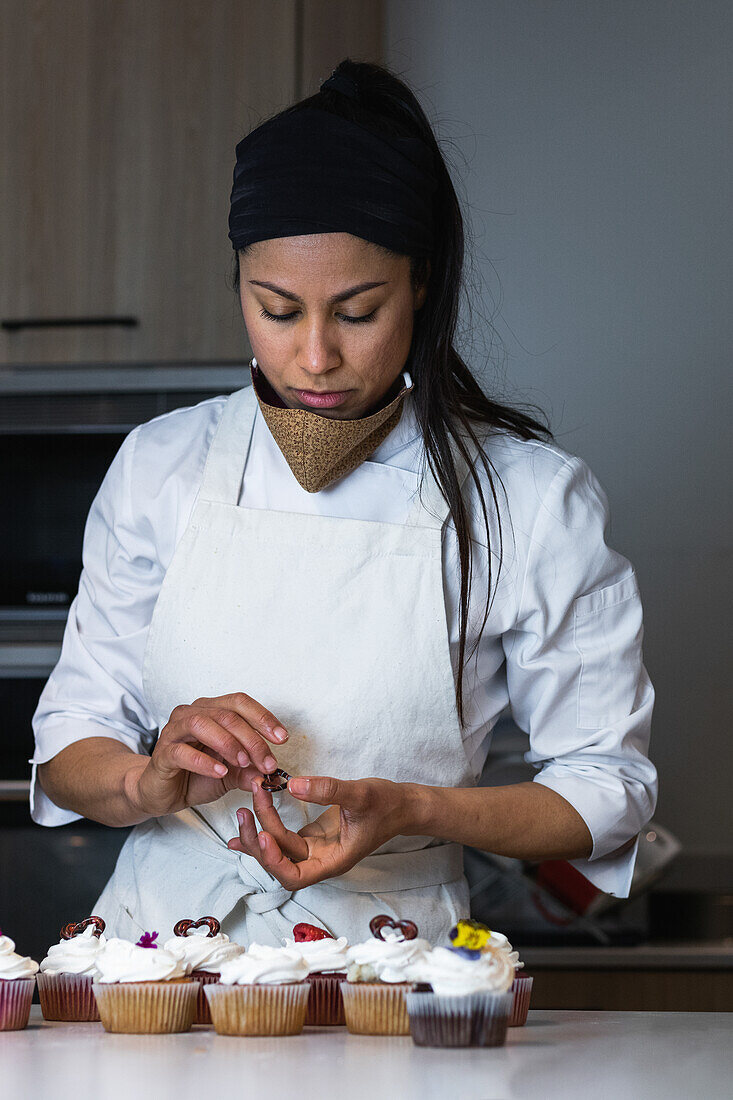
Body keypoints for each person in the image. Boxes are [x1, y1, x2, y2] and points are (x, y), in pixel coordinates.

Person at [31, 59, 657, 946]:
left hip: (396, 970)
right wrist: (147, 780)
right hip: (157, 962)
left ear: (421, 284)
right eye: (277, 309)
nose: (315, 356)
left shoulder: (529, 498)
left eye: (356, 311)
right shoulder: (161, 464)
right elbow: (68, 747)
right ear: (239, 283)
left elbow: (608, 788)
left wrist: (412, 808)